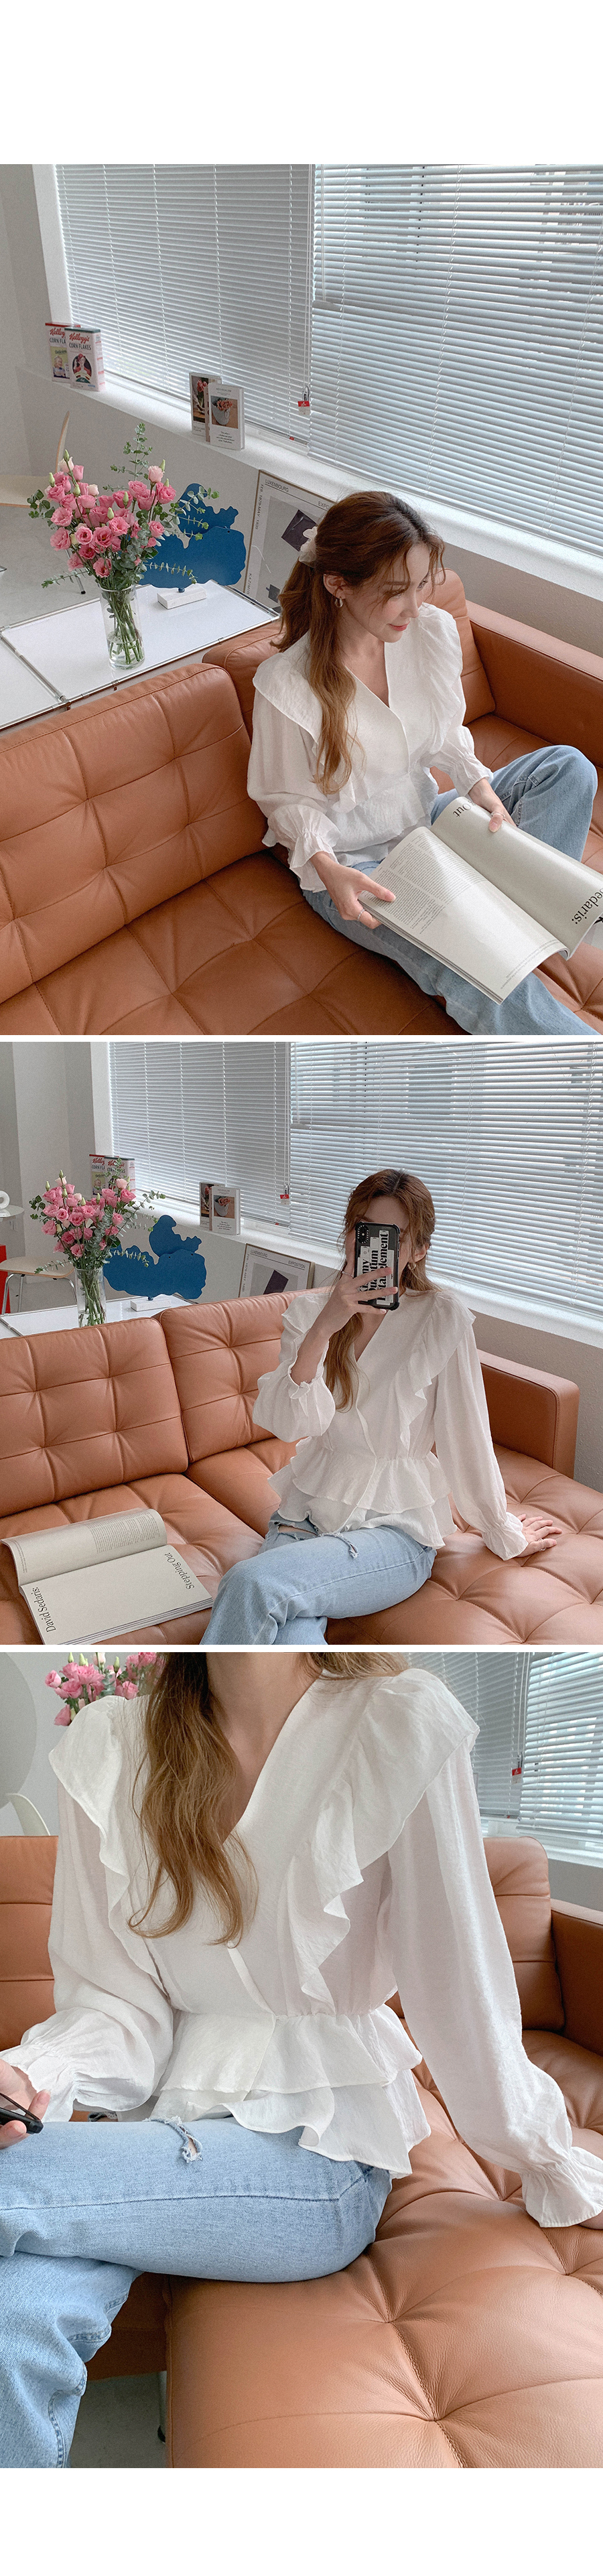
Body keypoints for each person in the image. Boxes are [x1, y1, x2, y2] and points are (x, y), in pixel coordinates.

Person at [1, 1647, 602, 2469]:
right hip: (148, 2135)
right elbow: (118, 2008)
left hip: (318, 2152)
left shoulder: (396, 1720)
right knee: (13, 2320)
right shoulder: (114, 1743)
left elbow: (458, 1984)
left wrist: (545, 2154)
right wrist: (31, 2072)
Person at [247, 491, 597, 1037]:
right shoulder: (287, 685)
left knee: (568, 768)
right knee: (475, 969)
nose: (414, 607)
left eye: (419, 585)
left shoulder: (426, 632)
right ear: (338, 584)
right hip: (357, 867)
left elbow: (444, 734)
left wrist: (478, 785)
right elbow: (287, 802)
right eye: (395, 592)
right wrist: (328, 868)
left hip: (428, 822)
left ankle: (524, 924)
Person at [203, 1166, 563, 1645]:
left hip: (395, 1531)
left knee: (250, 1582)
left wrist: (502, 1529)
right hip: (304, 1517)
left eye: (394, 1236)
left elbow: (466, 1435)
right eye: (364, 1228)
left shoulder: (441, 1317)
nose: (374, 1245)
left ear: (418, 1249)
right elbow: (290, 1424)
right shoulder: (309, 1315)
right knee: (289, 1642)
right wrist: (325, 1327)